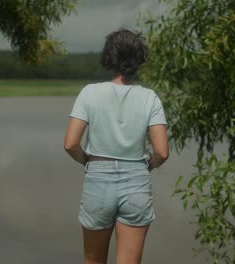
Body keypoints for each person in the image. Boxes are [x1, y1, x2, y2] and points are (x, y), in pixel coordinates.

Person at [64, 28, 169, 264]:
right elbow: (162, 152)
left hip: (98, 179)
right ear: (138, 59)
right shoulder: (150, 98)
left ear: (109, 57)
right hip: (137, 181)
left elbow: (71, 144)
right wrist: (147, 167)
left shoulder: (89, 93)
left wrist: (87, 162)